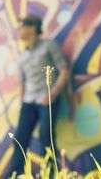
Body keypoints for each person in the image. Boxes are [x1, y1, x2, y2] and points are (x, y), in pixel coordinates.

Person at [5, 14, 68, 178]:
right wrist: (21, 102)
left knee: (46, 138)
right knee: (19, 138)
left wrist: (52, 94)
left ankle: (51, 173)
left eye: (21, 26)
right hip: (28, 102)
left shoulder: (49, 46)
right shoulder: (22, 56)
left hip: (47, 100)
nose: (18, 30)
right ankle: (15, 174)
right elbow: (22, 83)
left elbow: (64, 71)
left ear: (32, 27)